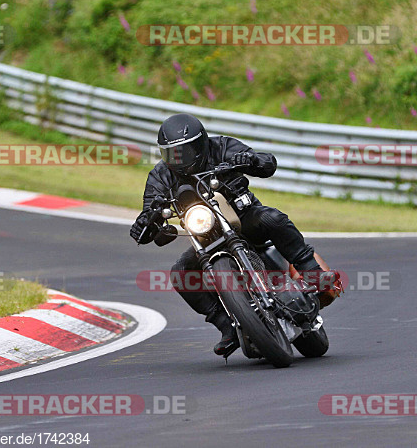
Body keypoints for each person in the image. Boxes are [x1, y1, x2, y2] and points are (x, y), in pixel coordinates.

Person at [130, 113, 337, 356]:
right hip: (205, 237)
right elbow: (150, 210)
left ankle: (311, 271)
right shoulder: (161, 175)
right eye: (172, 154)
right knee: (180, 273)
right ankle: (227, 326)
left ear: (200, 144)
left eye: (184, 152)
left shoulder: (222, 147)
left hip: (244, 219)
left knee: (273, 218)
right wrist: (145, 222)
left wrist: (249, 160)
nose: (179, 159)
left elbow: (267, 163)